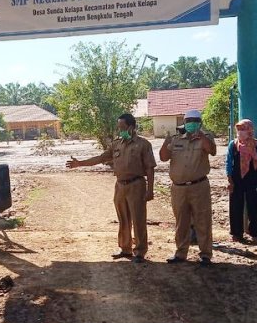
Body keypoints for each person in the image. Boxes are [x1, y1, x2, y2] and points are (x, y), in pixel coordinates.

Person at [66, 113, 156, 263]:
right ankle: (125, 248)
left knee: (138, 219)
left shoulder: (143, 144)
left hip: (136, 185)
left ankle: (140, 251)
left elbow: (150, 168)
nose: (120, 130)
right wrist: (80, 163)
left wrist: (150, 190)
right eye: (119, 127)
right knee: (123, 219)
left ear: (131, 127)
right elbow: (101, 158)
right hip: (120, 185)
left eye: (122, 127)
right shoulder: (116, 144)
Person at [159, 109, 216, 265]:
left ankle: (205, 254)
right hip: (178, 188)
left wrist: (201, 135)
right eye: (188, 121)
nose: (191, 124)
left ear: (200, 123)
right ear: (184, 123)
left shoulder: (206, 137)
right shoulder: (176, 139)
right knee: (181, 221)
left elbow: (211, 150)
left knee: (202, 220)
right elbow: (163, 158)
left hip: (199, 186)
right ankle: (180, 253)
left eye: (194, 121)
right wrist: (166, 142)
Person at [226, 118, 257, 242]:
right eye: (238, 129)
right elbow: (228, 162)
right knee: (236, 205)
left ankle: (256, 233)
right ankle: (236, 233)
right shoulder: (233, 144)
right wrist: (229, 178)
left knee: (254, 205)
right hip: (236, 178)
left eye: (243, 129)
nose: (240, 132)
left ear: (250, 130)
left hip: (252, 177)